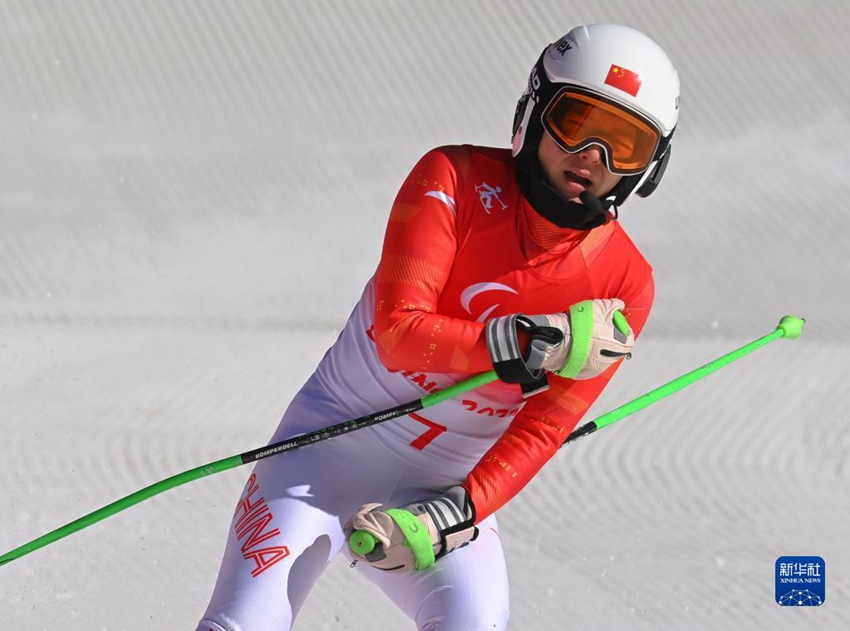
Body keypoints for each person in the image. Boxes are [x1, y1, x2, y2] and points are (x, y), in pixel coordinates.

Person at [197, 22, 680, 631]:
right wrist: (535, 341)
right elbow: (399, 334)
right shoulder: (451, 178)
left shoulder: (626, 284)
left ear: (650, 168)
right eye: (578, 124)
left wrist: (448, 517)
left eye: (625, 145)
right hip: (323, 455)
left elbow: (543, 427)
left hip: (442, 491)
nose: (592, 158)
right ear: (534, 112)